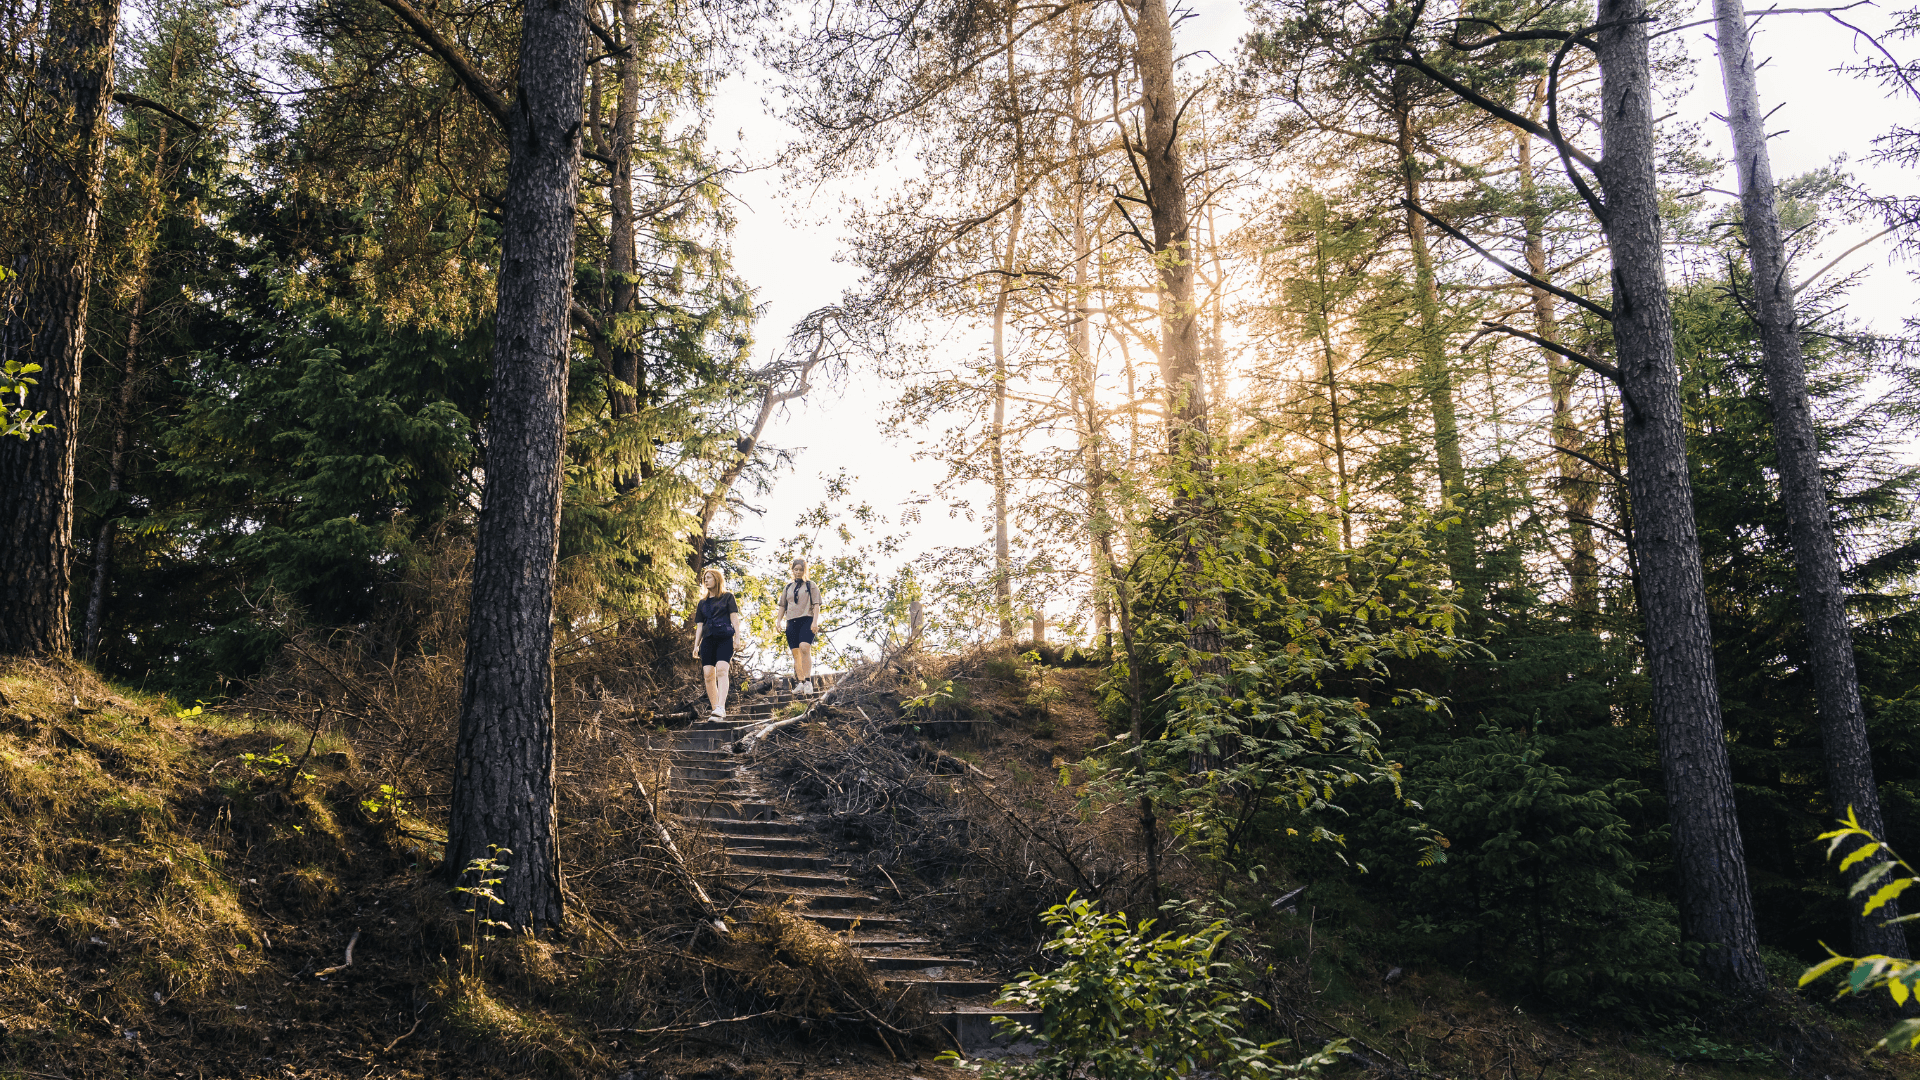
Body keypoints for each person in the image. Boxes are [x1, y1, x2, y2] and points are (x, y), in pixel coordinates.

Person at [691, 568, 742, 718]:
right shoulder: (702, 603)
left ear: (717, 579)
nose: (705, 580)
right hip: (707, 640)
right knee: (708, 674)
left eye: (709, 578)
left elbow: (734, 619)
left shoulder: (728, 597)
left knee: (721, 670)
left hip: (725, 638)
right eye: (704, 578)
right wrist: (696, 645)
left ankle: (721, 706)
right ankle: (716, 710)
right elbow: (700, 625)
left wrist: (737, 638)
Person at [774, 557, 821, 695]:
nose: (798, 572)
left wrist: (815, 622)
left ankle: (807, 681)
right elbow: (782, 606)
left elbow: (816, 604)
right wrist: (778, 621)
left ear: (804, 570)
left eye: (801, 569)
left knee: (805, 648)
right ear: (792, 570)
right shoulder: (788, 587)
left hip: (807, 619)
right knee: (796, 654)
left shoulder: (810, 585)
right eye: (796, 569)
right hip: (791, 622)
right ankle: (800, 682)